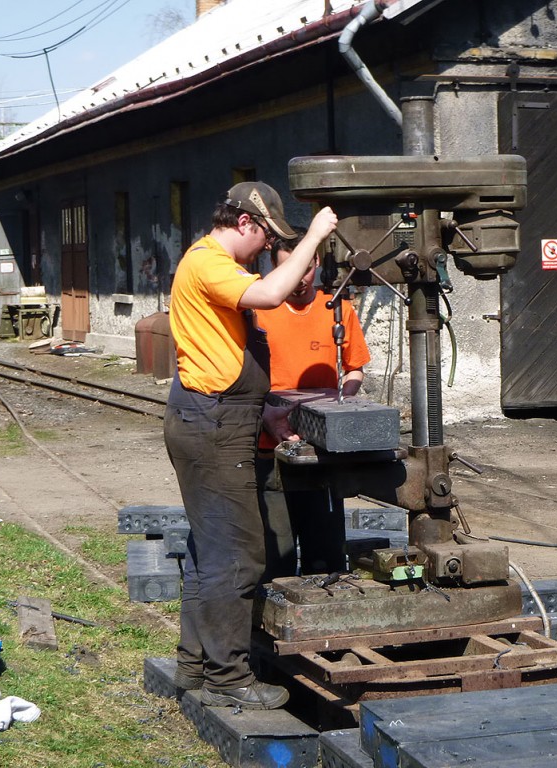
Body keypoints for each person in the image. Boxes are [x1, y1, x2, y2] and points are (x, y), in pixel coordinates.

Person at [163, 181, 337, 711]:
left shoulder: (214, 266)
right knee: (238, 554)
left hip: (213, 416)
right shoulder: (208, 261)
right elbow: (270, 294)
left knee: (207, 551)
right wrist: (316, 236)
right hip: (214, 427)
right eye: (265, 238)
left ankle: (196, 665)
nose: (266, 249)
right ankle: (229, 678)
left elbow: (220, 357)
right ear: (244, 223)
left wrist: (267, 412)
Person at [255, 230, 371, 579]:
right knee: (276, 556)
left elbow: (354, 368)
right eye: (287, 269)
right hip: (268, 449)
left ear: (317, 263)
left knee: (326, 555)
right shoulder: (258, 312)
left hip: (322, 452)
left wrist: (341, 405)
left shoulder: (337, 310)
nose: (299, 279)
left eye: (304, 268)